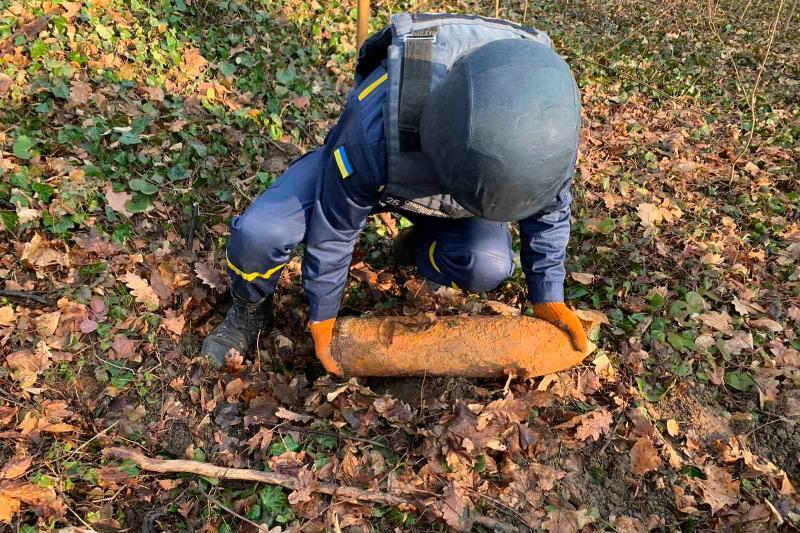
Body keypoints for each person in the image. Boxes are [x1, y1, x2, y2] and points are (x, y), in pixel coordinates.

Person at [201, 13, 587, 373]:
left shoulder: (545, 134)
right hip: (385, 165)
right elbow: (335, 227)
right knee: (261, 233)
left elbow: (550, 212)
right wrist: (324, 316)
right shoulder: (374, 126)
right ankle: (249, 307)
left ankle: (417, 248)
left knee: (485, 262)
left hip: (455, 192)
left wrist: (548, 293)